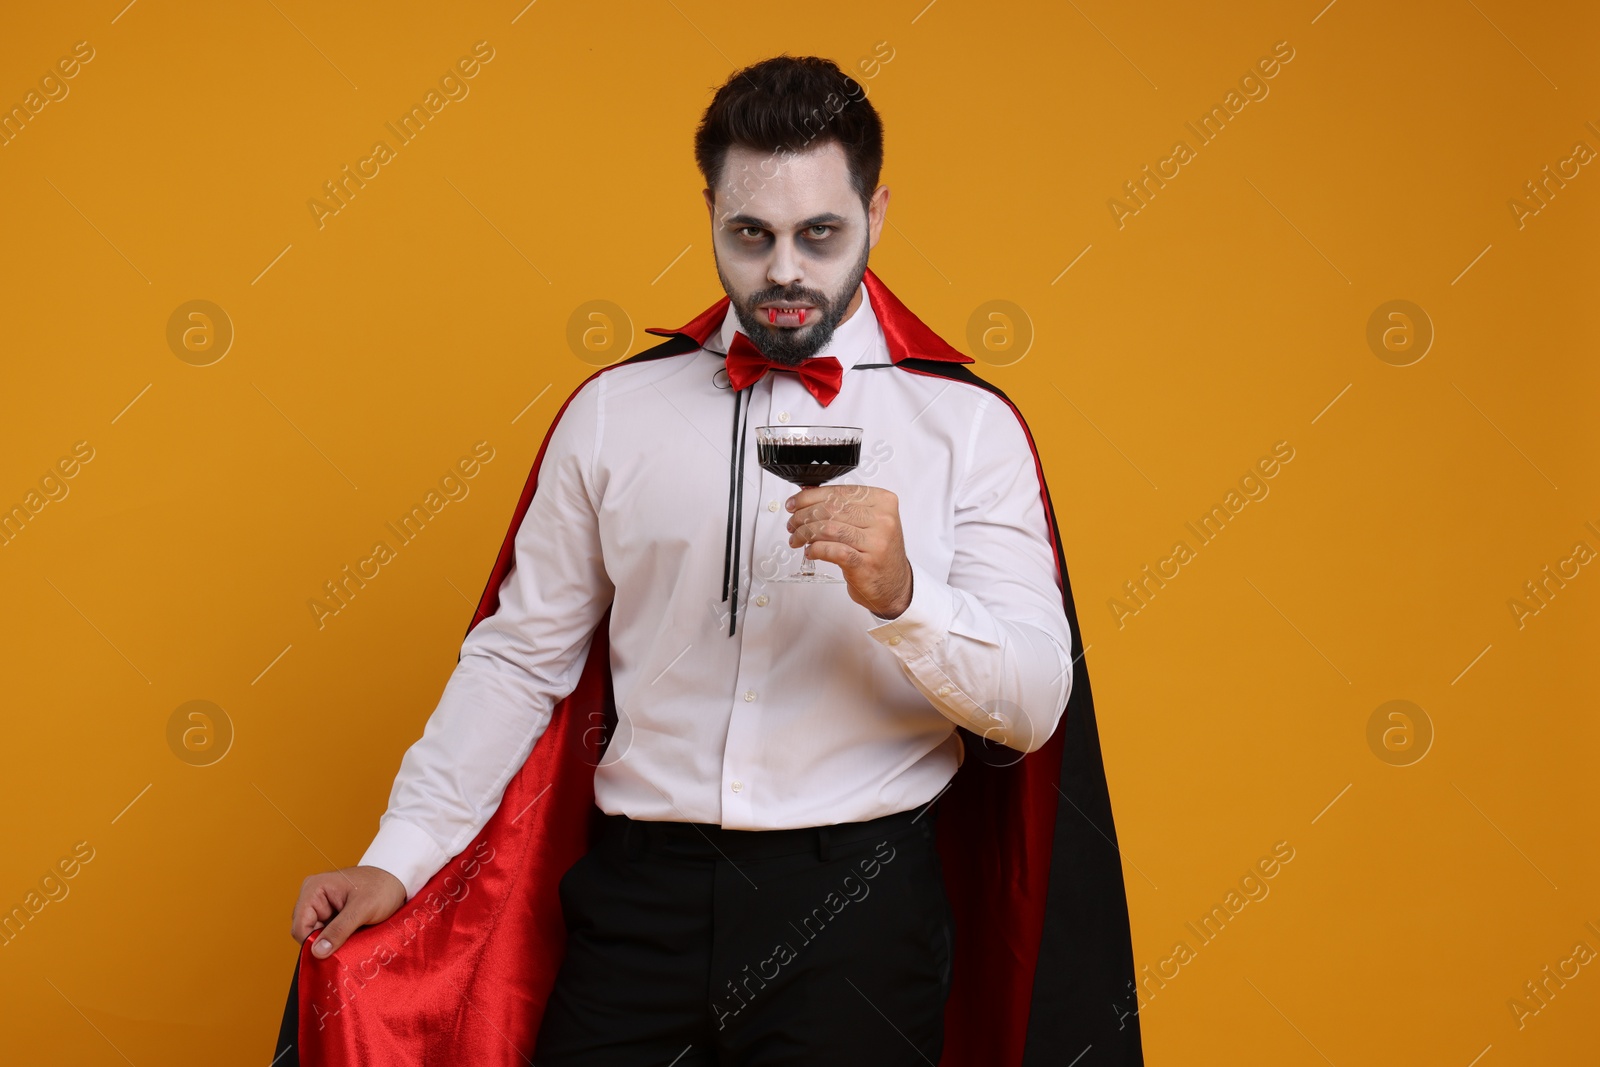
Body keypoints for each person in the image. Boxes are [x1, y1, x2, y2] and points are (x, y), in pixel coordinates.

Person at [280, 55, 1141, 1067]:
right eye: (751, 233)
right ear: (710, 211)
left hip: (857, 911)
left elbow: (1034, 704)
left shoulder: (967, 427)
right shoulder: (612, 413)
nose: (783, 270)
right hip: (640, 900)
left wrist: (907, 596)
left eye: (820, 233)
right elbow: (518, 660)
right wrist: (398, 856)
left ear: (877, 210)